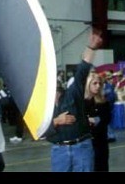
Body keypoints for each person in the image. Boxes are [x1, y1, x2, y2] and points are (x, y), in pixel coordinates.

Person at [44, 27, 104, 172]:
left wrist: (91, 47)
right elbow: (39, 131)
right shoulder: (42, 108)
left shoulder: (72, 93)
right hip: (59, 151)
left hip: (82, 147)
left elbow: (82, 70)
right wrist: (56, 121)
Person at [86, 73, 113, 172]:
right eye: (95, 83)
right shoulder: (82, 102)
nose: (98, 86)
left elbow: (107, 119)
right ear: (88, 84)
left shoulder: (103, 102)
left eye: (99, 84)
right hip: (86, 143)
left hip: (101, 142)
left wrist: (96, 120)